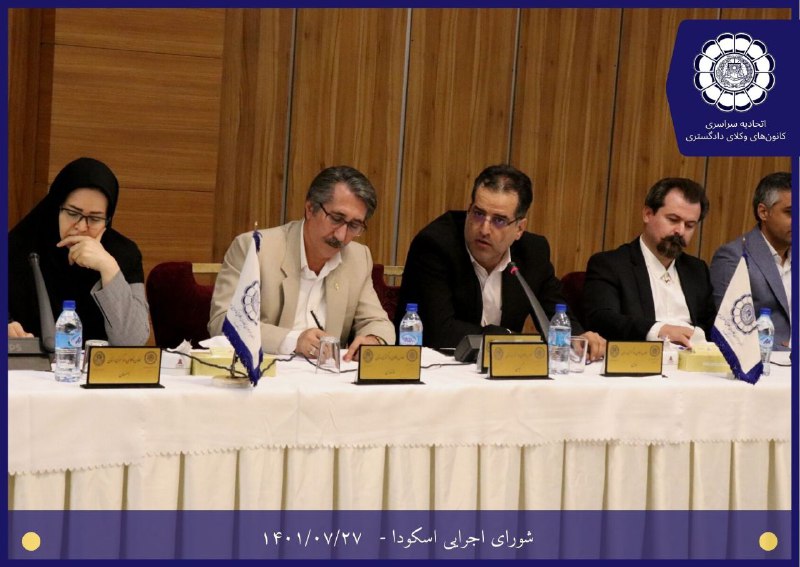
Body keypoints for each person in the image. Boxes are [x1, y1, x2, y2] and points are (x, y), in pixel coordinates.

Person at [396, 164, 605, 359]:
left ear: (519, 228)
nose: (484, 229)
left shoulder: (533, 252)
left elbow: (554, 311)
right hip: (441, 368)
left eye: (499, 220)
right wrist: (509, 339)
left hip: (503, 369)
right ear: (469, 209)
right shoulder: (435, 245)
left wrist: (578, 336)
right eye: (478, 214)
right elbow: (440, 331)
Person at [208, 165, 395, 361]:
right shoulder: (255, 249)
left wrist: (374, 340)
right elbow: (224, 323)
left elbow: (377, 321)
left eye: (354, 225)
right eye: (336, 218)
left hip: (327, 376)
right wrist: (293, 341)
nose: (341, 235)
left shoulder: (357, 258)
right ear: (310, 209)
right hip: (266, 373)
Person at [8, 157, 150, 345]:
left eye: (95, 218)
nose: (82, 227)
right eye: (73, 213)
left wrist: (108, 268)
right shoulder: (16, 248)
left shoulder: (124, 254)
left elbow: (133, 341)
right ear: (55, 208)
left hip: (96, 364)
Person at [584, 177, 716, 347]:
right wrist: (659, 330)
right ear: (647, 214)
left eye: (690, 225)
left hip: (694, 359)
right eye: (673, 219)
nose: (680, 231)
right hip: (641, 359)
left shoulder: (697, 270)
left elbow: (713, 328)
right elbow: (602, 320)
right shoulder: (610, 265)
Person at [710, 172, 791, 350]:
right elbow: (730, 331)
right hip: (766, 359)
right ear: (763, 212)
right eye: (790, 212)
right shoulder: (733, 257)